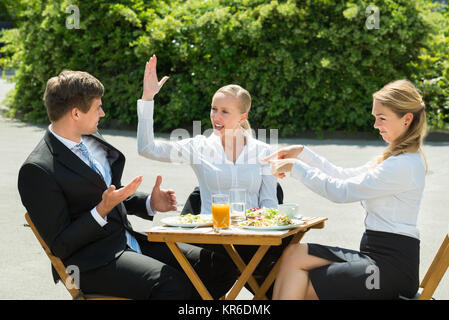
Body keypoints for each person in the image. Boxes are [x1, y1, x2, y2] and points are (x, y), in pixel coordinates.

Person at [17, 70, 237, 300]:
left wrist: (149, 202)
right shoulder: (37, 170)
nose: (102, 113)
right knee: (172, 285)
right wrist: (101, 210)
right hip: (91, 263)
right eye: (97, 108)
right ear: (75, 113)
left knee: (219, 267)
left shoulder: (91, 138)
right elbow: (61, 245)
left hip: (129, 240)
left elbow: (111, 192)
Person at [136, 55, 285, 297]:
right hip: (213, 242)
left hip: (254, 241)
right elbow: (147, 148)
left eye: (225, 111)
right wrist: (148, 98)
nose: (216, 116)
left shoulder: (264, 152)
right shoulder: (199, 147)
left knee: (279, 284)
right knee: (203, 286)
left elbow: (269, 204)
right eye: (214, 109)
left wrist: (263, 229)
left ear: (242, 117)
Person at [266, 79, 427, 300]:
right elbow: (343, 176)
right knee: (294, 253)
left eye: (382, 118)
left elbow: (341, 191)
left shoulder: (403, 165)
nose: (375, 125)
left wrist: (296, 168)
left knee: (300, 285)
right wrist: (302, 154)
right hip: (375, 259)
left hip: (389, 272)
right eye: (375, 117)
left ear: (407, 119)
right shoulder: (395, 159)